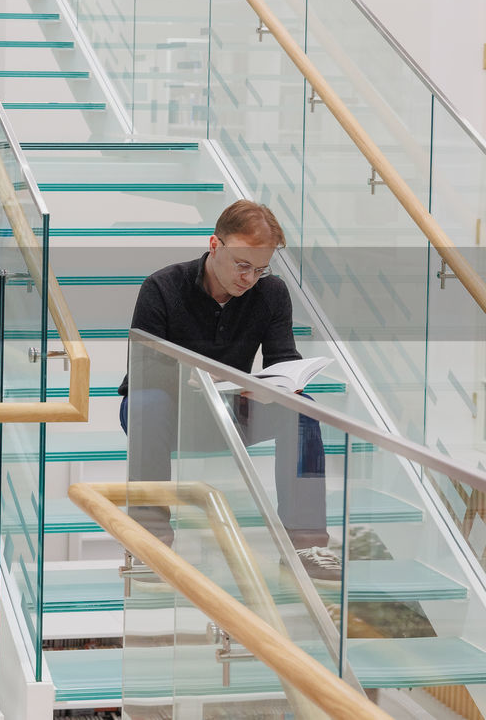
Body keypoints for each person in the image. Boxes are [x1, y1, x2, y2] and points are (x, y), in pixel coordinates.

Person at [117, 200, 341, 582]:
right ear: (215, 245)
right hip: (166, 410)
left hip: (232, 410)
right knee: (148, 401)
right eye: (242, 265)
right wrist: (190, 378)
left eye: (260, 269)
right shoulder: (161, 286)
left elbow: (282, 360)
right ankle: (148, 542)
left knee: (302, 407)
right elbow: (143, 371)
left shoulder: (271, 294)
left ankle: (305, 543)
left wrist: (276, 386)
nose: (250, 278)